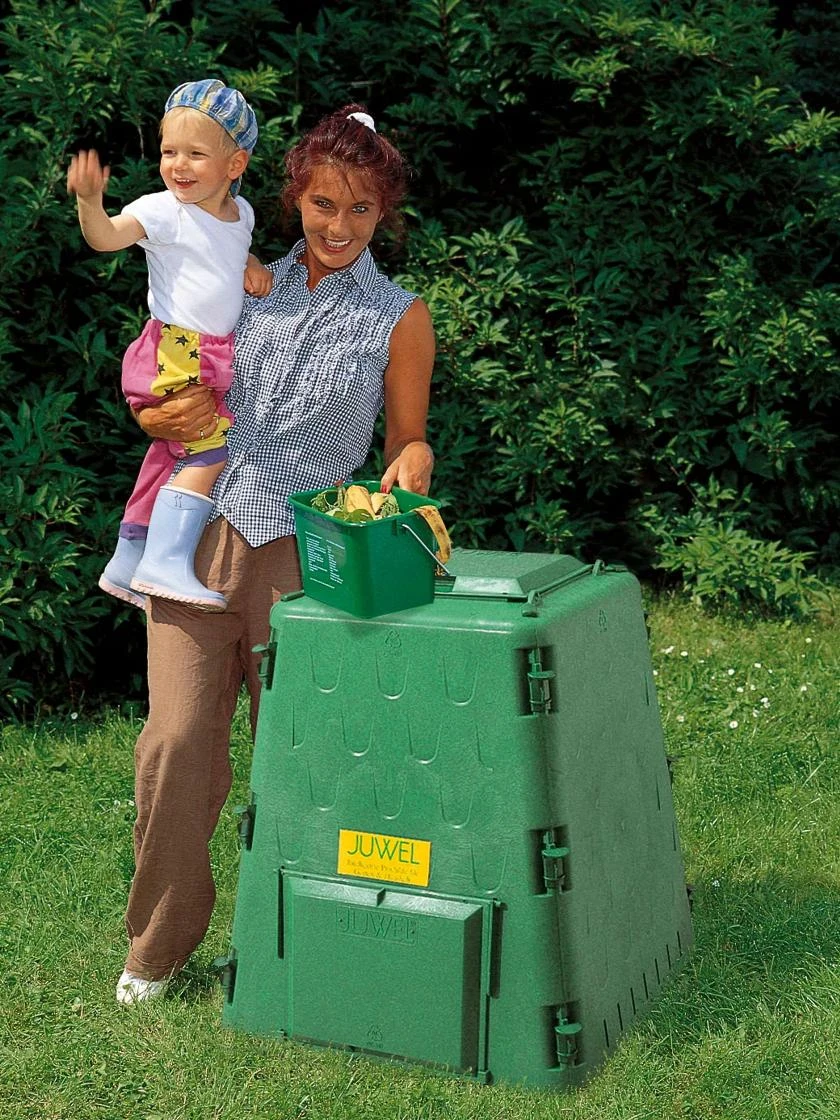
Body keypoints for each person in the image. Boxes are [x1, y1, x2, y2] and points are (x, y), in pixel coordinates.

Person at [113, 104, 435, 1004]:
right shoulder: (237, 273)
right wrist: (154, 412)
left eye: (361, 208)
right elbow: (167, 368)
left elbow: (407, 437)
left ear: (384, 212)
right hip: (196, 534)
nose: (339, 225)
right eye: (324, 203)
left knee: (306, 754)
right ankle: (157, 947)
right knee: (175, 744)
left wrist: (411, 464)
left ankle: (315, 941)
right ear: (294, 198)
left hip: (307, 556)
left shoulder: (399, 318)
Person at [67, 78, 272, 613]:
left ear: (235, 164)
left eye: (195, 154)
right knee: (210, 449)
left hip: (210, 353)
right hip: (174, 349)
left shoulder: (242, 214)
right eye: (168, 151)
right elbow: (105, 237)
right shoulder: (163, 210)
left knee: (169, 455)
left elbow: (223, 251)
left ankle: (128, 558)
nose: (178, 165)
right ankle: (166, 560)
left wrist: (248, 263)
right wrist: (90, 202)